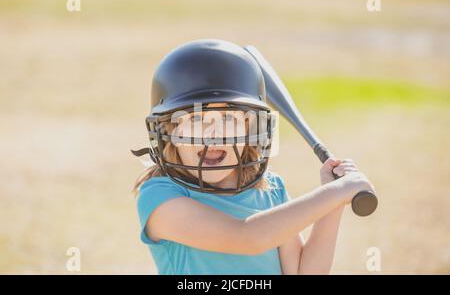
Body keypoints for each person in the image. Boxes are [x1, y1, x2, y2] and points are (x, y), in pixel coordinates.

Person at [132, 39, 375, 274]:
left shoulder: (270, 189)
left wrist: (333, 201)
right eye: (196, 119)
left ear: (250, 128)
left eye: (229, 118)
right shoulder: (159, 197)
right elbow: (247, 237)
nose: (214, 134)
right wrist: (335, 193)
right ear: (168, 131)